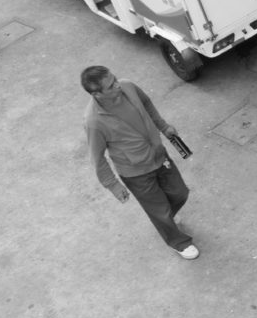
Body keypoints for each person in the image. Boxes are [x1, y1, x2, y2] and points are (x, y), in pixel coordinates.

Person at [81, 66, 199, 260]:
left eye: (115, 79)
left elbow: (147, 103)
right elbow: (97, 158)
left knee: (180, 193)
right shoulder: (94, 121)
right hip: (136, 173)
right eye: (111, 86)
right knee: (159, 211)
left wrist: (163, 126)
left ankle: (166, 220)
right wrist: (113, 185)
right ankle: (179, 242)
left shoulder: (128, 86)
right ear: (97, 94)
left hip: (159, 156)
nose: (118, 85)